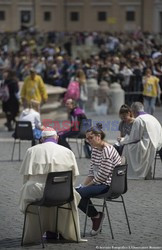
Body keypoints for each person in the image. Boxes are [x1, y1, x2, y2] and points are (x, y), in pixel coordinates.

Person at [19, 127, 83, 245]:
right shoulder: (68, 152)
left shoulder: (31, 151)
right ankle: (61, 230)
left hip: (37, 190)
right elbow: (73, 177)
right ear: (57, 138)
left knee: (29, 190)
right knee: (67, 198)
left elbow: (26, 177)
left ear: (41, 139)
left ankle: (38, 232)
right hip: (62, 192)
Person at [76, 123, 121, 236]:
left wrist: (86, 187)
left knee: (77, 194)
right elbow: (92, 172)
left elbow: (102, 175)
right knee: (76, 192)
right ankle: (96, 216)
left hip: (109, 185)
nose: (88, 140)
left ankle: (96, 216)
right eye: (87, 139)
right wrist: (83, 185)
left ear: (98, 136)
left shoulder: (107, 150)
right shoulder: (95, 149)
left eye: (91, 138)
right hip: (100, 183)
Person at [121, 102, 162, 179]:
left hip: (146, 145)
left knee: (126, 147)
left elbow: (134, 138)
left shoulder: (138, 120)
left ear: (133, 111)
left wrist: (123, 140)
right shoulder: (152, 117)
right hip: (157, 144)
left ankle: (128, 172)